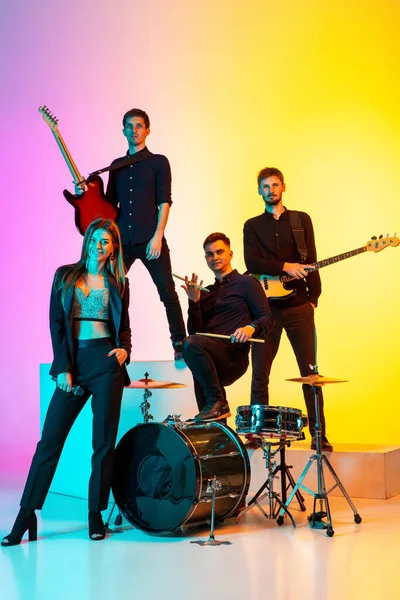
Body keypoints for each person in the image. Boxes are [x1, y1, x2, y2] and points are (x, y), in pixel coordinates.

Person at [2, 219, 132, 546]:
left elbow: (124, 326)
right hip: (74, 364)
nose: (99, 246)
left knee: (103, 444)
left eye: (106, 242)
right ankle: (26, 514)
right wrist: (63, 367)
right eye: (95, 240)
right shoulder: (65, 275)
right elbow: (56, 324)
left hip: (106, 364)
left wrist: (125, 350)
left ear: (114, 247)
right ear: (87, 242)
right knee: (49, 443)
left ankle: (95, 514)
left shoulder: (119, 281)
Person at [78, 108, 186, 360]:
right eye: (130, 125)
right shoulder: (116, 166)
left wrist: (158, 236)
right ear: (123, 130)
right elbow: (109, 206)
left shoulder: (158, 162)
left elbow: (164, 201)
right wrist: (85, 191)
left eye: (139, 125)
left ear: (147, 130)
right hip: (122, 243)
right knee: (110, 290)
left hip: (151, 239)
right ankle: (113, 344)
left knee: (167, 292)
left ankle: (180, 344)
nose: (134, 130)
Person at [243, 167, 333, 451]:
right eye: (265, 186)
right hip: (265, 310)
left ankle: (319, 434)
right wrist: (284, 267)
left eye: (275, 185)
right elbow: (251, 261)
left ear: (284, 187)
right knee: (260, 372)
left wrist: (313, 298)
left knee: (310, 373)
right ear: (259, 191)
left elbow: (313, 259)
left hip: (298, 306)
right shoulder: (252, 225)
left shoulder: (301, 220)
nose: (271, 190)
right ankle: (257, 433)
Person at [181, 232, 273, 422]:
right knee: (209, 419)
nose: (215, 257)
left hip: (233, 357)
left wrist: (250, 327)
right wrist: (194, 302)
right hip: (209, 357)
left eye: (219, 252)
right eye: (209, 254)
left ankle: (217, 402)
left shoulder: (248, 283)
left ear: (230, 254)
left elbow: (266, 317)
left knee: (191, 345)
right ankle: (219, 427)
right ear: (205, 258)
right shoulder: (207, 292)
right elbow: (195, 332)